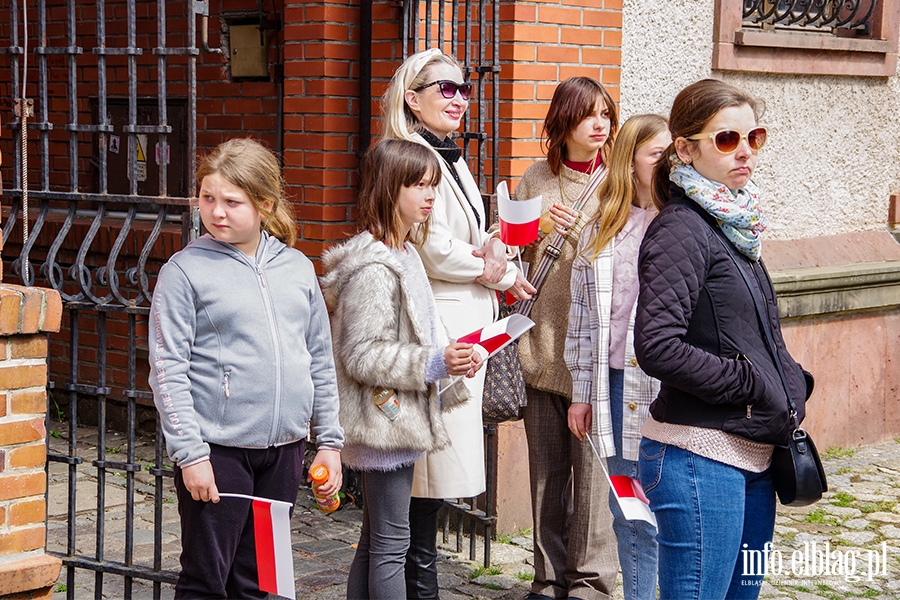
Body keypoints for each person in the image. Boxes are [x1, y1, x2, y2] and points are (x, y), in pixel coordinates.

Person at [634, 79, 813, 600]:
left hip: (754, 453)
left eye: (752, 137)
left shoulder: (734, 224)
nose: (744, 152)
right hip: (698, 457)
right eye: (726, 139)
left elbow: (750, 329)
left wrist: (793, 382)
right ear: (685, 149)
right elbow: (658, 345)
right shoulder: (682, 229)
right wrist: (753, 384)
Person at [148, 138, 344, 599]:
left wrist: (329, 442)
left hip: (284, 453)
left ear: (265, 205)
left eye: (232, 201)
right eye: (207, 198)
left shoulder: (296, 267)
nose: (216, 211)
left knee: (263, 581)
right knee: (207, 580)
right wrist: (191, 455)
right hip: (218, 452)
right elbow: (167, 368)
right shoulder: (184, 271)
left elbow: (319, 356)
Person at [381, 47, 534, 598]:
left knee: (435, 485)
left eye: (464, 89)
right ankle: (418, 589)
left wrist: (499, 249)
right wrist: (496, 271)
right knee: (424, 484)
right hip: (438, 332)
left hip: (469, 325)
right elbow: (432, 247)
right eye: (445, 88)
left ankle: (412, 583)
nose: (459, 98)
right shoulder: (410, 157)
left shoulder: (452, 155)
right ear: (411, 97)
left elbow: (471, 238)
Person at [322, 138, 483, 600]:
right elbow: (361, 354)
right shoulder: (377, 265)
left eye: (433, 184)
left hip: (396, 416)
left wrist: (450, 355)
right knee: (391, 545)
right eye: (418, 185)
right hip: (385, 421)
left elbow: (417, 331)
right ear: (388, 189)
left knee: (376, 543)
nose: (431, 195)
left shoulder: (406, 254)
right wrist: (434, 361)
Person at [513, 76, 619, 600]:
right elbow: (511, 259)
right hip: (541, 353)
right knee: (546, 480)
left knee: (596, 486)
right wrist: (527, 235)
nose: (599, 124)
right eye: (587, 115)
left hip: (594, 361)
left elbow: (621, 261)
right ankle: (547, 581)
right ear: (563, 123)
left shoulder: (619, 182)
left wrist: (576, 233)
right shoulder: (535, 177)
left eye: (605, 114)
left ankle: (591, 587)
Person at [565, 114, 670, 600]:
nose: (669, 161)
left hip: (669, 389)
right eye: (657, 154)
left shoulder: (683, 225)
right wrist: (581, 394)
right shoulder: (602, 231)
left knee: (669, 505)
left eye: (674, 152)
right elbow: (583, 323)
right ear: (630, 162)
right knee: (627, 506)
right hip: (612, 388)